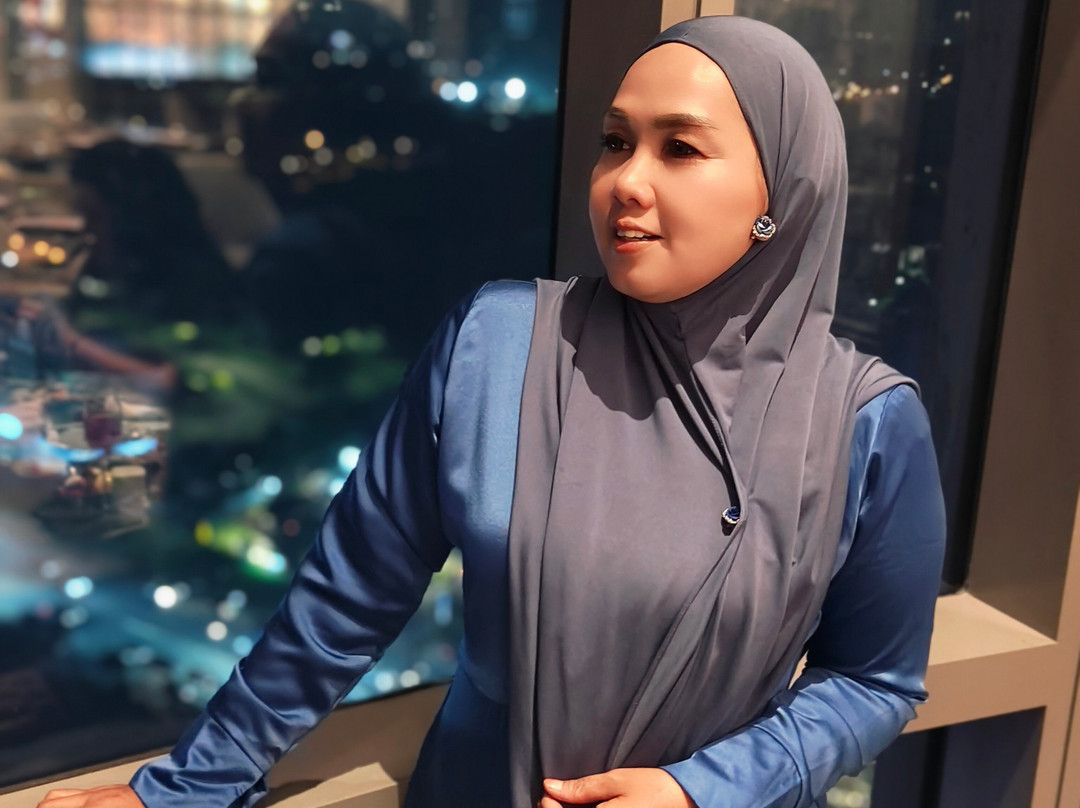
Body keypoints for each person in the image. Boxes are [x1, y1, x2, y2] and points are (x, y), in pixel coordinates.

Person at [37, 15, 945, 808]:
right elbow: (345, 599)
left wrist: (707, 790)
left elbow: (874, 679)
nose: (626, 182)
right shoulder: (498, 344)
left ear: (781, 195)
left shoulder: (864, 422)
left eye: (680, 148)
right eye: (614, 142)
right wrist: (181, 788)